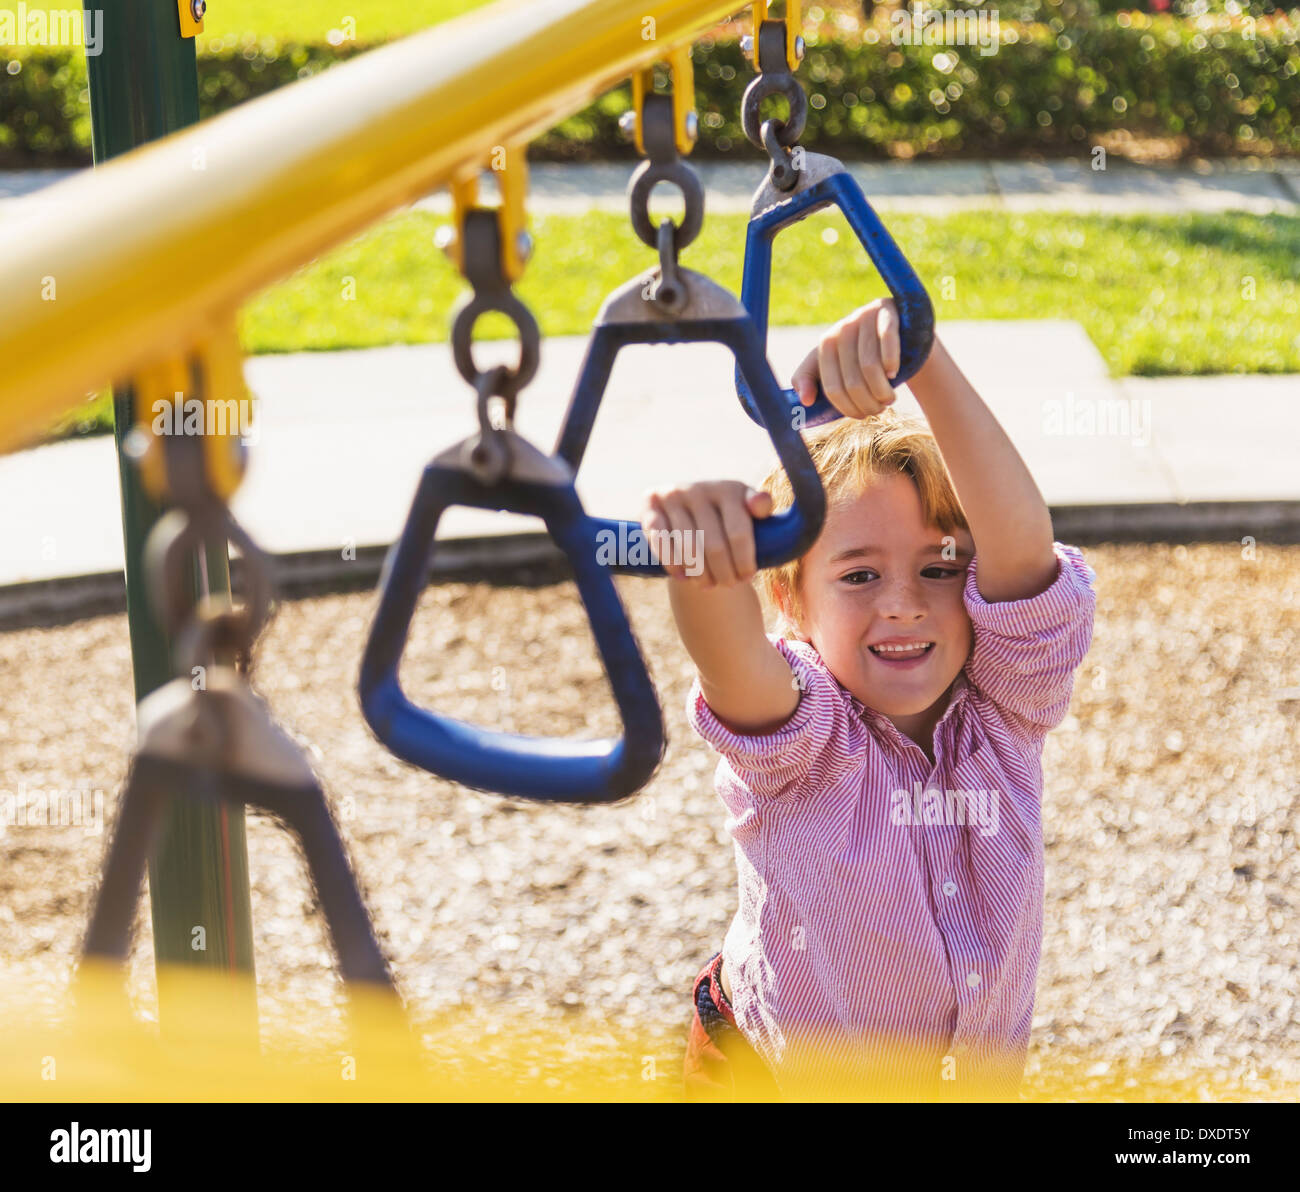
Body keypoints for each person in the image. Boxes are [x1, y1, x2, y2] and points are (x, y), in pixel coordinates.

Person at [645, 298, 1097, 1101]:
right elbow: (730, 663)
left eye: (939, 566)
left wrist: (923, 357)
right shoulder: (805, 737)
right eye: (858, 575)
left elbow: (1026, 561)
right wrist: (699, 556)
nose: (903, 604)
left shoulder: (1007, 705)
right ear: (791, 604)